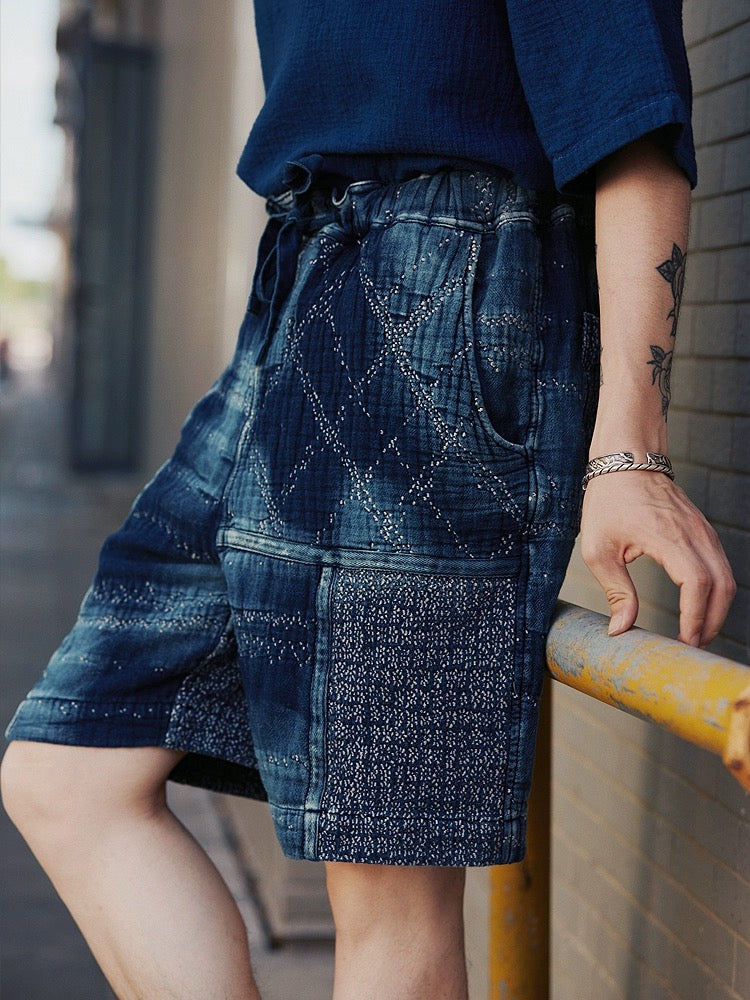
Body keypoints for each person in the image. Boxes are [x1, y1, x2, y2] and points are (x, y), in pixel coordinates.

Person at [1, 2, 736, 998]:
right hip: (305, 269)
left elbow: (631, 122)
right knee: (67, 771)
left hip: (449, 286)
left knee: (386, 881)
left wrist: (628, 453)